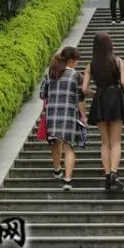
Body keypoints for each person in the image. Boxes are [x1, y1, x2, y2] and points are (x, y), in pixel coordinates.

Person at [82, 32, 124, 192]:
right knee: (116, 142)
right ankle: (114, 173)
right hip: (115, 99)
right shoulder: (118, 61)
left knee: (105, 142)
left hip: (100, 101)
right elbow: (123, 83)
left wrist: (96, 93)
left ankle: (107, 176)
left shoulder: (90, 65)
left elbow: (84, 89)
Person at [39, 46, 86, 190]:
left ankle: (57, 170)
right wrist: (83, 115)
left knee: (55, 142)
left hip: (52, 114)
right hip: (69, 114)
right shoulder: (76, 75)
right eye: (76, 61)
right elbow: (80, 98)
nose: (77, 63)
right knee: (69, 146)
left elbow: (42, 94)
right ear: (70, 61)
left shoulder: (51, 72)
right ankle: (67, 179)